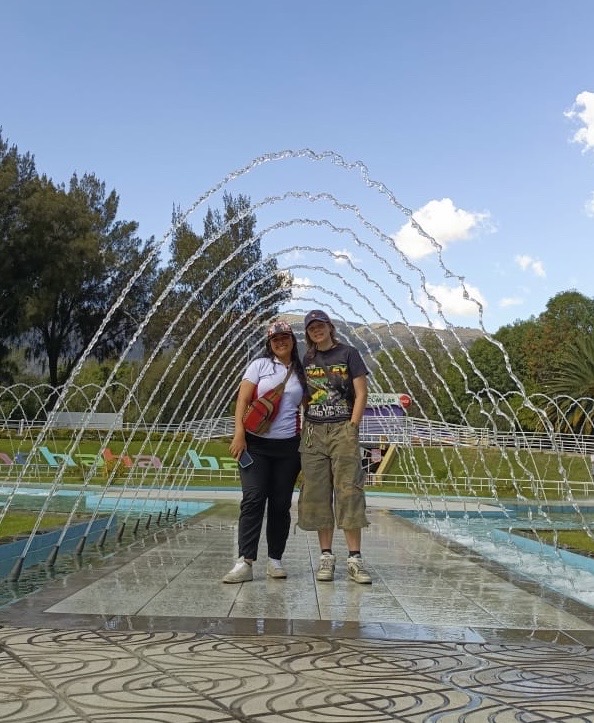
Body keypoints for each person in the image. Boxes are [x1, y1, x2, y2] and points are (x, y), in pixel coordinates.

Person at [223, 321, 307, 583]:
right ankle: (244, 561)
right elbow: (242, 400)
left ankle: (275, 560)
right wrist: (239, 434)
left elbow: (308, 406)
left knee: (281, 504)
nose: (280, 342)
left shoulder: (301, 371)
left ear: (292, 340)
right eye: (275, 339)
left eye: (285, 337)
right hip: (255, 445)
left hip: (288, 448)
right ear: (269, 344)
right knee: (253, 498)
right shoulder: (259, 365)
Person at [297, 309, 372, 584]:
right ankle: (326, 557)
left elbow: (361, 392)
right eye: (311, 327)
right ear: (308, 333)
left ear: (330, 327)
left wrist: (352, 426)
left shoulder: (348, 353)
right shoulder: (307, 359)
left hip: (343, 428)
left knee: (348, 490)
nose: (316, 330)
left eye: (320, 325)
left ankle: (355, 558)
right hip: (314, 431)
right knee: (317, 493)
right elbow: (304, 396)